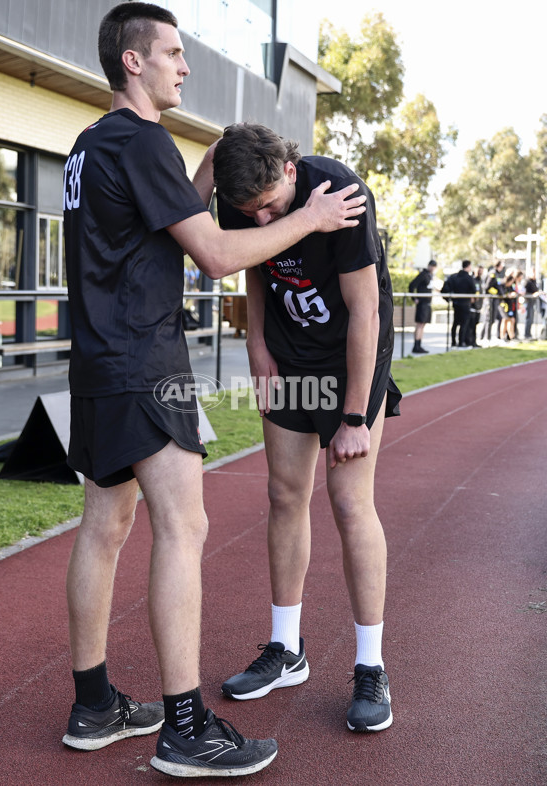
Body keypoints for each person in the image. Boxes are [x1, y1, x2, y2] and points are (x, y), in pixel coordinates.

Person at [61, 3, 366, 779]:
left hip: (98, 362)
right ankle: (185, 727)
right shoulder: (140, 138)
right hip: (144, 363)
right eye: (172, 52)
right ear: (134, 62)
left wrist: (204, 167)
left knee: (105, 525)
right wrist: (314, 218)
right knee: (184, 528)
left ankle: (94, 703)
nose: (183, 66)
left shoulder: (90, 144)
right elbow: (218, 257)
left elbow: (170, 220)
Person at [211, 122, 402, 733]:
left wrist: (353, 416)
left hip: (351, 357)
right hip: (290, 358)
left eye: (270, 206)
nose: (263, 222)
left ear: (291, 172)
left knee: (349, 502)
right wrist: (257, 347)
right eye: (250, 212)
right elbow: (254, 270)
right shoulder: (244, 195)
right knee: (284, 494)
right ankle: (287, 649)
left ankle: (371, 666)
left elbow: (365, 313)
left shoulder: (341, 193)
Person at [443, 260, 477, 348]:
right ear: (469, 266)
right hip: (465, 303)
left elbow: (445, 288)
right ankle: (461, 342)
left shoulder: (454, 276)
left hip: (456, 303)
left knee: (455, 323)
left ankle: (453, 341)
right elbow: (474, 290)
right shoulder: (468, 278)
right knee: (464, 323)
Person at [408, 260, 437, 353]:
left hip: (427, 303)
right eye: (431, 266)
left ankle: (419, 344)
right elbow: (412, 285)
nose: (432, 268)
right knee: (420, 324)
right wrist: (414, 298)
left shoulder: (430, 276)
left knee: (423, 325)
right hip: (422, 303)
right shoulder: (423, 274)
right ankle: (416, 346)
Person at [480, 260, 505, 343]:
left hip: (495, 300)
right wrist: (495, 293)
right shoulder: (493, 273)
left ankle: (483, 337)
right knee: (489, 319)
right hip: (490, 300)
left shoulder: (497, 274)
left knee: (492, 319)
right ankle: (486, 338)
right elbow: (487, 287)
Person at [524, 271, 540, 339]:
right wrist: (533, 295)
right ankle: (527, 334)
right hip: (528, 302)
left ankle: (529, 334)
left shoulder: (534, 281)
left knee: (531, 318)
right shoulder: (527, 282)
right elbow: (524, 292)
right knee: (529, 318)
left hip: (533, 302)